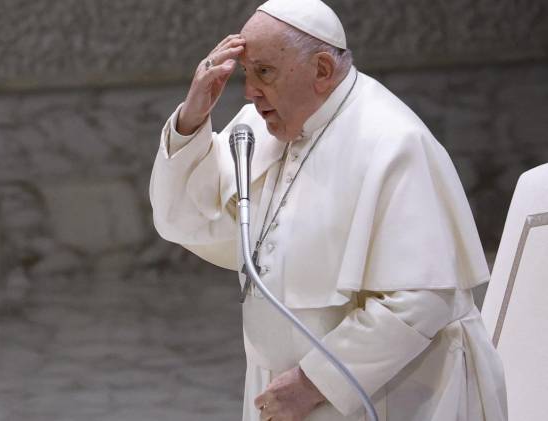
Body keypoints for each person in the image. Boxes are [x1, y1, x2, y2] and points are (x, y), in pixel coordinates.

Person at [149, 0, 508, 420]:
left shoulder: (392, 141)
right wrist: (193, 118)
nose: (250, 92)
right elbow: (187, 222)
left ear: (321, 70)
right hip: (283, 388)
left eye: (265, 72)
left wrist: (317, 380)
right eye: (247, 73)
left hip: (387, 392)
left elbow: (421, 298)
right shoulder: (260, 131)